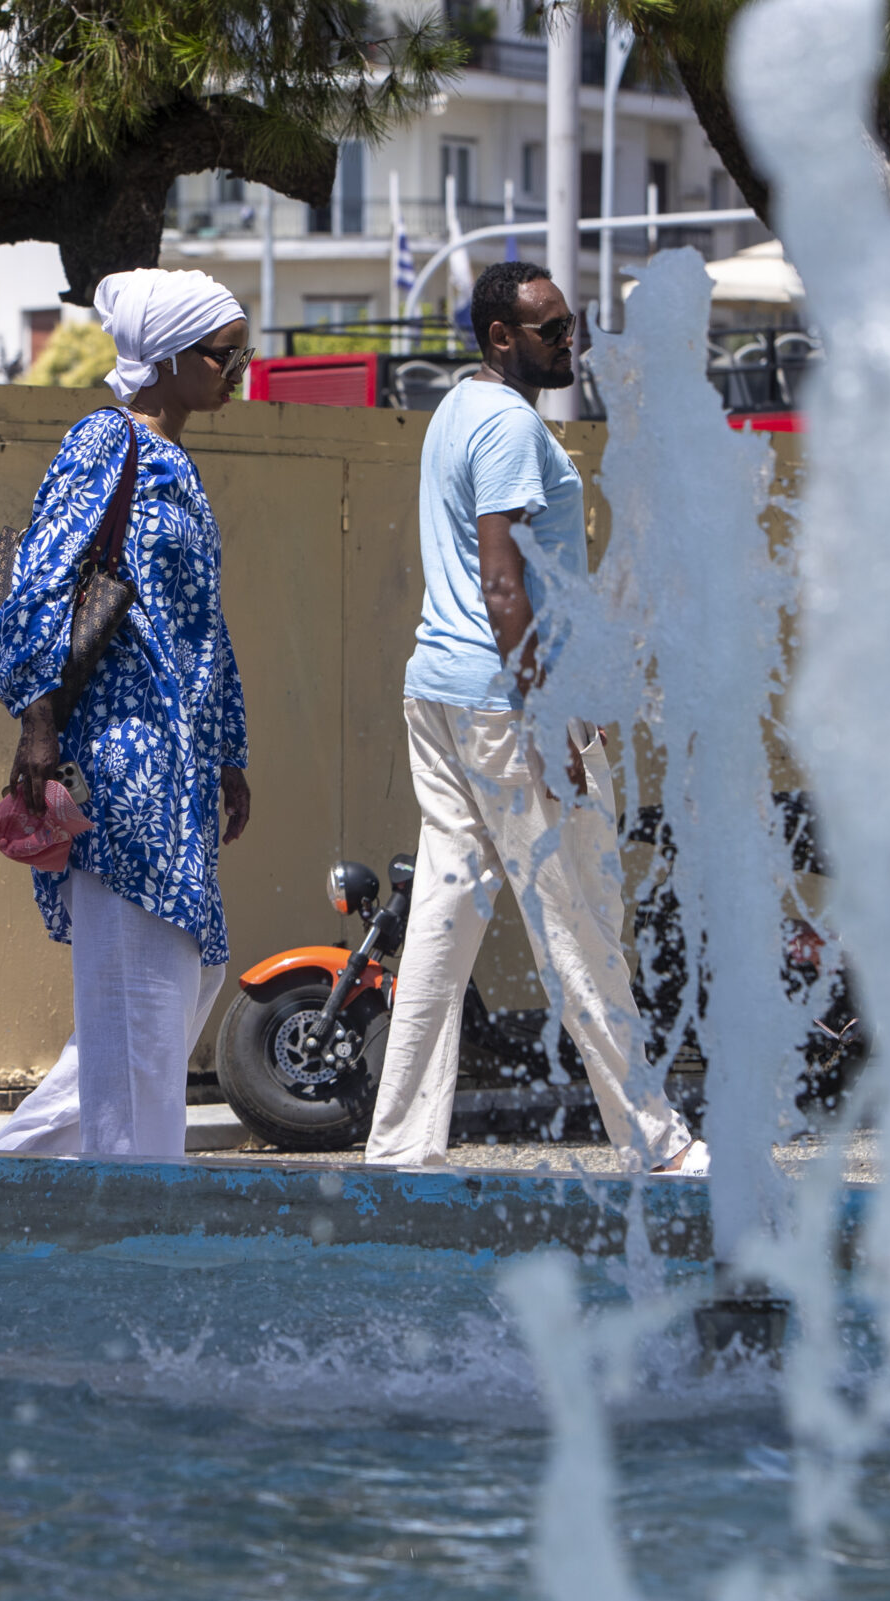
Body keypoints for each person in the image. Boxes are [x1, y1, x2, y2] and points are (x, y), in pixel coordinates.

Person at [363, 261, 703, 1176]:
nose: (572, 341)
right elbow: (502, 578)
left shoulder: (456, 410)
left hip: (439, 689)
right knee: (579, 917)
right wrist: (545, 709)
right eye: (553, 329)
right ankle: (656, 1141)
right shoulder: (511, 424)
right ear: (501, 337)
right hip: (508, 700)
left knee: (444, 912)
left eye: (572, 323)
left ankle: (398, 1144)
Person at [0, 270, 254, 1160]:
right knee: (143, 996)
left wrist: (226, 750)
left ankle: (22, 1173)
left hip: (173, 765)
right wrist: (38, 727)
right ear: (170, 357)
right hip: (119, 759)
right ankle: (136, 1207)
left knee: (181, 980)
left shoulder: (175, 459)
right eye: (226, 353)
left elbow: (199, 622)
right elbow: (39, 581)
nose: (241, 369)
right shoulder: (105, 441)